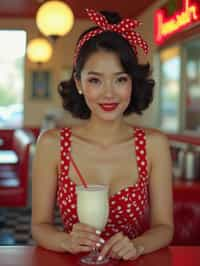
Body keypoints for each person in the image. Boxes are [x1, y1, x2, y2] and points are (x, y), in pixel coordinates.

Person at [31, 8, 174, 261]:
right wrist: (65, 241)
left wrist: (138, 246)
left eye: (120, 79)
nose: (109, 94)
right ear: (78, 83)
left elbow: (165, 227)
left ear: (132, 82)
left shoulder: (153, 144)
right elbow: (39, 226)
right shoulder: (52, 144)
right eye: (95, 80)